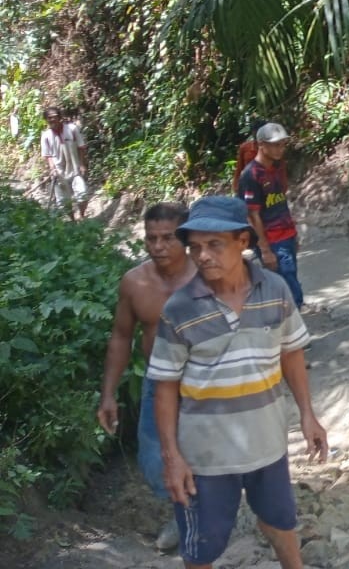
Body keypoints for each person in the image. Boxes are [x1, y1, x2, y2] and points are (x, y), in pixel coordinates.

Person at [148, 196, 327, 569]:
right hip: (204, 459)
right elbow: (164, 387)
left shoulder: (275, 290)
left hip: (268, 445)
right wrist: (172, 458)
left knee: (280, 523)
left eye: (214, 244)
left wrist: (308, 414)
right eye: (195, 247)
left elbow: (291, 353)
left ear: (243, 242)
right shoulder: (180, 309)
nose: (203, 256)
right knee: (201, 547)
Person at [96, 202, 197, 552]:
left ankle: (206, 518)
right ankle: (182, 513)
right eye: (151, 238)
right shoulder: (135, 283)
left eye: (167, 238)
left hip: (206, 382)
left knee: (209, 451)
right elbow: (121, 337)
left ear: (184, 238)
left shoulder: (207, 275)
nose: (158, 246)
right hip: (159, 381)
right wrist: (108, 395)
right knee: (155, 456)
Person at [237, 122, 303, 308]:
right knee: (288, 287)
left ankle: (289, 327)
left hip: (286, 236)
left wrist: (293, 234)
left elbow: (280, 203)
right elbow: (252, 215)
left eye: (282, 144)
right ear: (261, 145)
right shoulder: (251, 175)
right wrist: (265, 249)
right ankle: (291, 327)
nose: (280, 149)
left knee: (289, 281)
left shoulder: (275, 169)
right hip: (272, 240)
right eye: (275, 144)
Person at [41, 105, 90, 220]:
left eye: (54, 117)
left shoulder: (72, 129)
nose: (52, 120)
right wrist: (52, 168)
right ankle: (72, 220)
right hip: (59, 172)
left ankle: (82, 216)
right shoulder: (46, 136)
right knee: (64, 201)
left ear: (60, 117)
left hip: (75, 169)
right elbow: (47, 155)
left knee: (83, 195)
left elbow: (81, 147)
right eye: (49, 118)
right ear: (46, 120)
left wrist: (82, 164)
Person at [233, 117, 268, 183]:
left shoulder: (272, 149)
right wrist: (236, 186)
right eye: (255, 131)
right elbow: (239, 169)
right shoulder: (245, 147)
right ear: (252, 132)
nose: (257, 134)